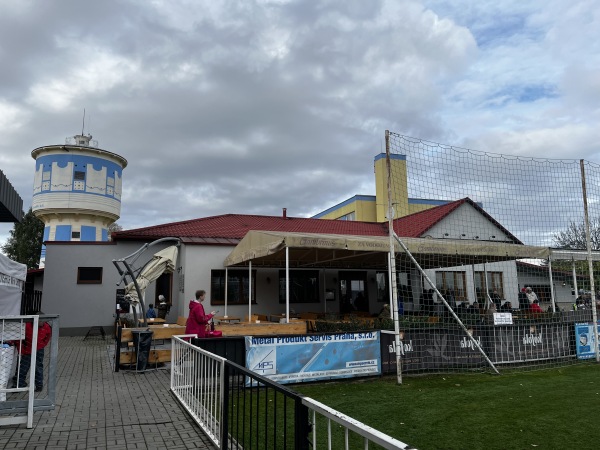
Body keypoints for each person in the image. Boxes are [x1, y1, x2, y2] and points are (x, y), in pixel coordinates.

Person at [10, 315, 52, 391]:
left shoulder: (47, 327)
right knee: (22, 368)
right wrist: (21, 350)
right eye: (40, 321)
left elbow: (48, 337)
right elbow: (19, 339)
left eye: (43, 321)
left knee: (38, 368)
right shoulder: (27, 326)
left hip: (38, 349)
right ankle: (18, 384)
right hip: (27, 350)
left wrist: (42, 345)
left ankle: (39, 385)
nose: (41, 323)